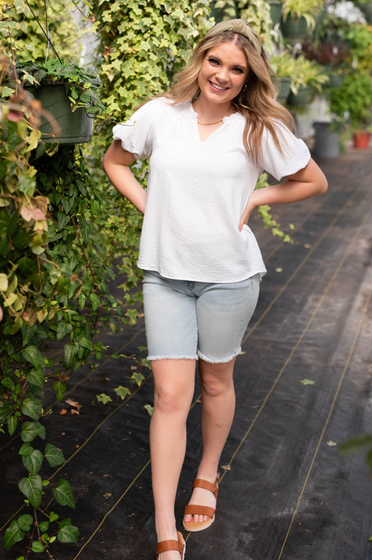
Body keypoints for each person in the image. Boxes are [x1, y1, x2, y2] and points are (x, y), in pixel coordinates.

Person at [102, 18, 328, 560]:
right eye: (215, 61)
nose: (222, 75)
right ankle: (164, 526)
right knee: (171, 396)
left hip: (230, 276)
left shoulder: (257, 128)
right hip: (165, 274)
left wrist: (256, 201)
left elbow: (312, 180)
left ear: (248, 78)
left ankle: (206, 476)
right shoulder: (161, 116)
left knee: (216, 379)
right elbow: (116, 162)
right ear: (200, 59)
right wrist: (151, 209)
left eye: (236, 69)